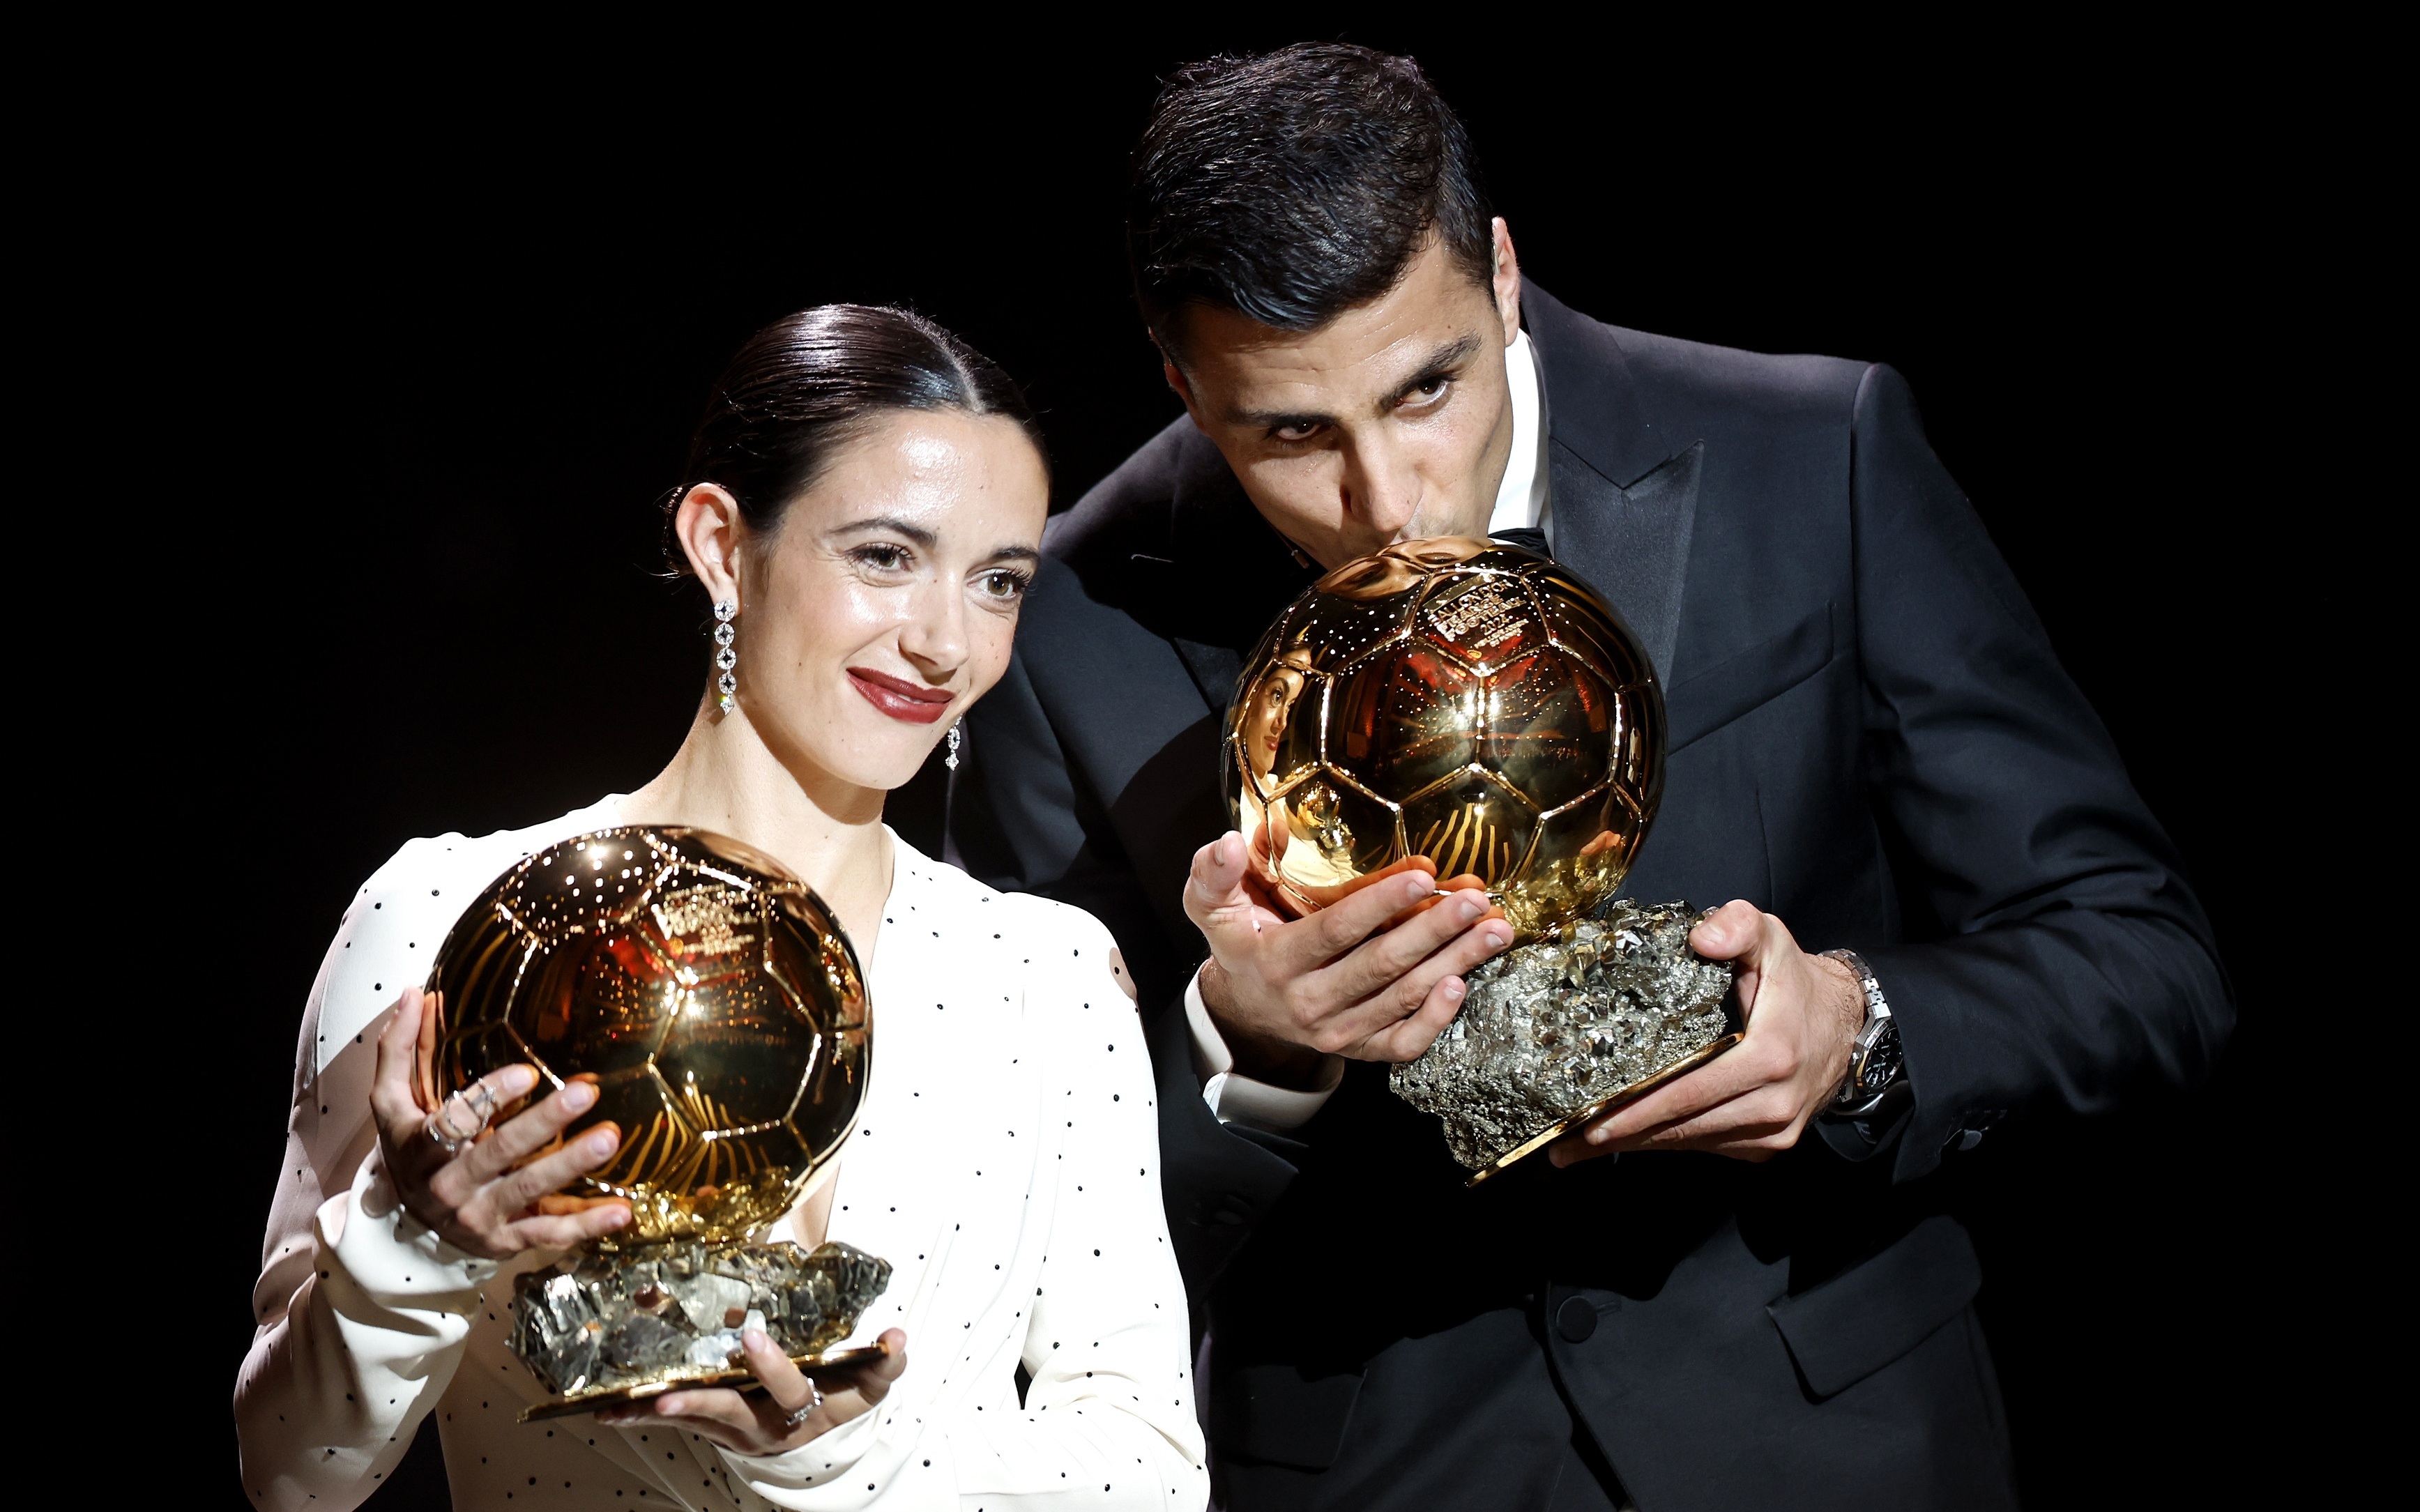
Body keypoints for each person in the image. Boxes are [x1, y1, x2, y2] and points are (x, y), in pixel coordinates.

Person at [951, 45, 2231, 1512]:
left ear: (1501, 274)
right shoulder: (1063, 623)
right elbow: (1014, 1220)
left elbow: (2143, 954)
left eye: (1426, 388)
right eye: (1291, 433)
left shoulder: (1814, 454)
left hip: (1834, 1452)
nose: (1388, 500)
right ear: (1183, 384)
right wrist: (1244, 1053)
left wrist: (1857, 1027)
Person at [235, 305, 1209, 1511]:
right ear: (719, 544)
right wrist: (413, 1238)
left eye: (998, 582)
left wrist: (830, 1453)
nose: (943, 641)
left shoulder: (1044, 977)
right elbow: (294, 1478)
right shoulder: (448, 915)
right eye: (884, 557)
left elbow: (1151, 1473)